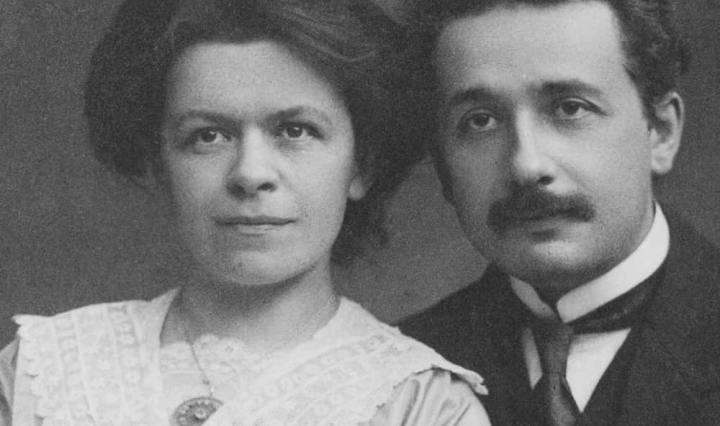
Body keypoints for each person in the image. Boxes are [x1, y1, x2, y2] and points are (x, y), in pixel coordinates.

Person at [0, 0, 492, 425]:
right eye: (208, 136)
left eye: (296, 131)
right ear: (159, 166)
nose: (250, 173)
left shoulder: (420, 403)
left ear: (361, 165)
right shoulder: (43, 368)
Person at [399, 0, 720, 425]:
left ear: (660, 132)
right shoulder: (400, 372)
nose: (527, 165)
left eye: (570, 108)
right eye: (480, 121)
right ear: (443, 164)